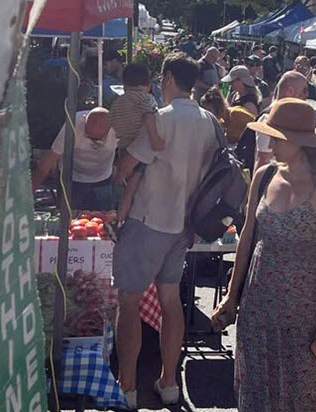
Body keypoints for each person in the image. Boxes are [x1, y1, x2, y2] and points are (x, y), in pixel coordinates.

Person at [210, 99, 316, 410]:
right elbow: (247, 237)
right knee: (260, 393)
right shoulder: (264, 176)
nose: (270, 143)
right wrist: (231, 296)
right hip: (258, 305)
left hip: (306, 311)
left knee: (306, 394)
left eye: (275, 137)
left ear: (298, 142)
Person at [112, 53, 221, 407]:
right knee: (171, 300)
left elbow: (128, 166)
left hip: (149, 219)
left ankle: (127, 386)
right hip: (186, 224)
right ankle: (169, 382)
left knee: (128, 302)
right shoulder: (209, 120)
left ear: (170, 78)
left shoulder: (162, 119)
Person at [32, 107, 117, 211]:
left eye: (98, 139)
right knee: (68, 219)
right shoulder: (73, 124)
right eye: (88, 136)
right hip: (72, 179)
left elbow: (129, 157)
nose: (93, 143)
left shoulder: (120, 129)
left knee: (102, 217)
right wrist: (30, 195)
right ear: (84, 120)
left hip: (102, 178)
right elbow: (48, 162)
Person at [255, 71, 313, 170]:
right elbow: (263, 160)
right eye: (304, 90)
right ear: (290, 91)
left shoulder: (287, 116)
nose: (307, 95)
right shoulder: (268, 119)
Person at [109, 63, 159, 151]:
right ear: (149, 85)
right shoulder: (146, 98)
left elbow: (110, 121)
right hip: (140, 145)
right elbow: (150, 116)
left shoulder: (117, 101)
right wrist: (155, 140)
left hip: (121, 146)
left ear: (124, 85)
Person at [222, 66, 260, 145]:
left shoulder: (249, 102)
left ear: (241, 81)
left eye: (232, 81)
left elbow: (251, 126)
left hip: (241, 143)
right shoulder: (234, 94)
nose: (230, 84)